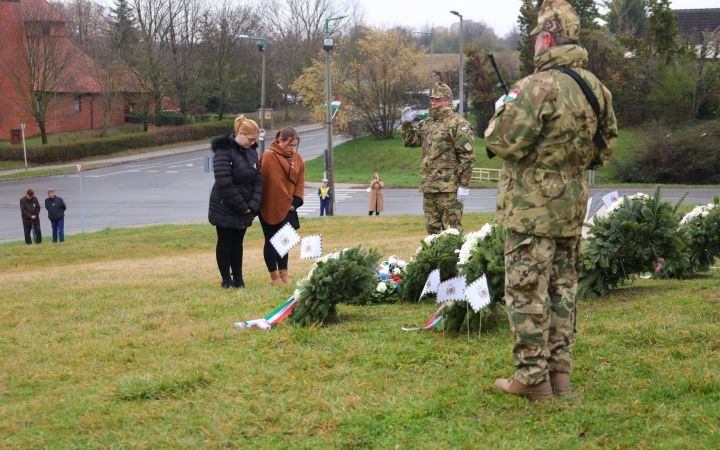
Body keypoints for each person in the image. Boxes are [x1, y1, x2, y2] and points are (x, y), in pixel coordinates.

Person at [485, 0, 618, 400]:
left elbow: (504, 142)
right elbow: (605, 148)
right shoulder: (596, 88)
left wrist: (496, 116)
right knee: (563, 291)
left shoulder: (534, 86)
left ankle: (531, 378)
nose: (534, 47)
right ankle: (560, 376)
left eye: (536, 39)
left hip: (531, 211)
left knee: (526, 292)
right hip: (571, 209)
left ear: (547, 37)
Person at [401, 82, 475, 234]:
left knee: (452, 231)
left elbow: (466, 157)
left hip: (448, 188)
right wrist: (406, 123)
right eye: (433, 99)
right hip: (429, 186)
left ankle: (455, 257)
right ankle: (434, 258)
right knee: (432, 231)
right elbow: (411, 141)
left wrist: (464, 185)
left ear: (448, 100)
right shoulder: (428, 123)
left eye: (438, 100)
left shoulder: (458, 124)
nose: (434, 102)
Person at [208, 115, 262, 289]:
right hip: (226, 206)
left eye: (255, 140)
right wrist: (242, 207)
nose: (253, 143)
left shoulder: (252, 151)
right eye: (251, 139)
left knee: (238, 243)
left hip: (246, 206)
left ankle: (238, 278)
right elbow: (224, 183)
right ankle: (226, 279)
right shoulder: (223, 152)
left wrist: (252, 206)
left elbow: (258, 180)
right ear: (240, 133)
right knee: (225, 242)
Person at [258, 127, 305, 286]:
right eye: (290, 145)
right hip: (269, 206)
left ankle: (284, 274)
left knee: (283, 242)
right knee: (271, 241)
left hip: (289, 207)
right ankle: (274, 277)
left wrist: (296, 201)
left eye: (295, 146)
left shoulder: (297, 158)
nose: (292, 149)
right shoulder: (268, 156)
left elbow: (300, 181)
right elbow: (261, 183)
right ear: (280, 141)